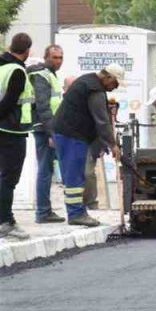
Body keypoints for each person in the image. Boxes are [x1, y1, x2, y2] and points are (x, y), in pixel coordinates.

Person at [51, 64, 126, 227]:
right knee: (75, 174)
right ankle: (76, 214)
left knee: (74, 174)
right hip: (72, 134)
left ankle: (77, 210)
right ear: (108, 78)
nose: (115, 87)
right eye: (115, 83)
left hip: (67, 133)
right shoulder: (95, 90)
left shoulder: (88, 81)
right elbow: (102, 121)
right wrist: (113, 144)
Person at [0, 33, 33, 240]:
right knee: (9, 178)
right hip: (12, 130)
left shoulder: (2, 66)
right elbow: (9, 103)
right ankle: (6, 221)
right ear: (27, 50)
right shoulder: (17, 71)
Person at [28, 44, 65, 223]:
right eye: (55, 57)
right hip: (44, 129)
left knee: (48, 170)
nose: (58, 61)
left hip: (49, 128)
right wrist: (51, 133)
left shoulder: (50, 75)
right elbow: (43, 106)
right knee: (45, 170)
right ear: (46, 57)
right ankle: (43, 212)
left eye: (60, 58)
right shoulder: (41, 75)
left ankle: (45, 210)